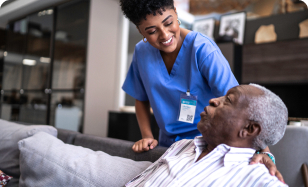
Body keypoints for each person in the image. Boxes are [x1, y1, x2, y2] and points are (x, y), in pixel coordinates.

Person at [120, 0, 238, 151]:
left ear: (175, 12)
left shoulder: (203, 49)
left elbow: (237, 103)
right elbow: (141, 99)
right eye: (151, 31)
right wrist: (147, 136)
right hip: (167, 146)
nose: (164, 35)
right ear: (140, 31)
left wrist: (262, 150)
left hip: (207, 143)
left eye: (168, 23)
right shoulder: (141, 52)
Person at [125, 84, 288, 186]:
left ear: (249, 129)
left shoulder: (258, 180)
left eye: (228, 100)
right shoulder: (182, 146)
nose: (213, 100)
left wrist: (266, 154)